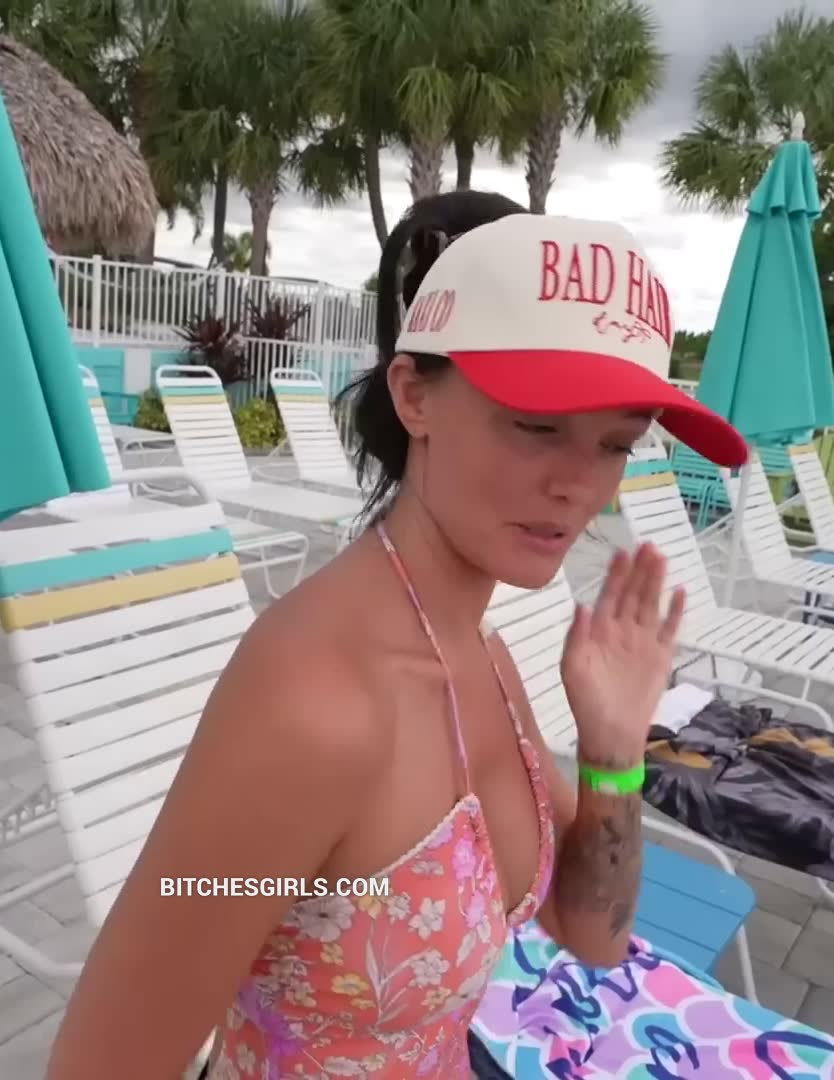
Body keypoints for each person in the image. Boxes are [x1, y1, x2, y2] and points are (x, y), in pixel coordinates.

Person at [42, 191, 817, 1080]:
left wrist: (611, 748)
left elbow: (593, 934)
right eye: (537, 426)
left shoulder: (483, 659)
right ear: (415, 394)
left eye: (615, 445)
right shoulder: (317, 707)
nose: (580, 485)